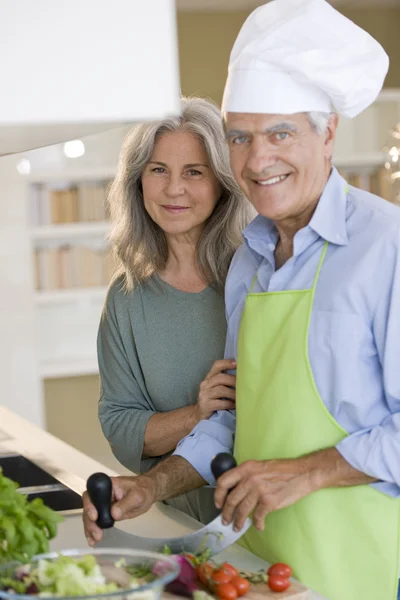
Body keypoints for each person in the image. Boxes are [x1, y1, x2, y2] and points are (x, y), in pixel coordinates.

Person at [84, 2, 400, 599]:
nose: (258, 160)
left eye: (281, 132)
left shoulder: (387, 247)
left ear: (327, 132)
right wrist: (154, 487)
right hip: (261, 566)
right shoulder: (250, 262)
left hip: (365, 566)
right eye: (241, 137)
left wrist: (311, 471)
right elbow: (233, 415)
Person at [96, 96, 252, 525]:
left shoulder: (260, 277)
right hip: (176, 518)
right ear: (138, 182)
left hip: (264, 520)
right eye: (158, 170)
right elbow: (121, 425)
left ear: (222, 183)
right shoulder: (128, 298)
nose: (174, 189)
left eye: (194, 172)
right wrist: (196, 414)